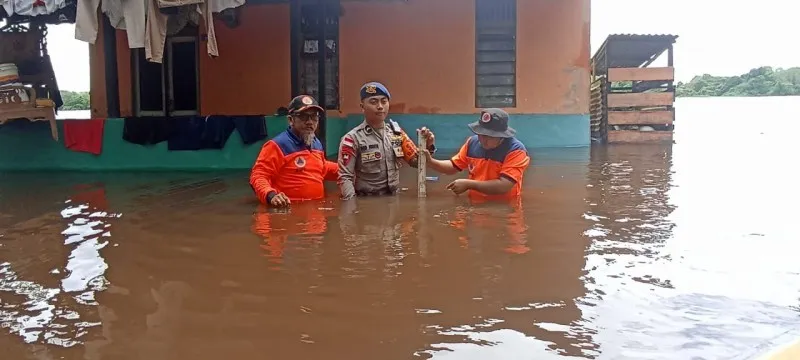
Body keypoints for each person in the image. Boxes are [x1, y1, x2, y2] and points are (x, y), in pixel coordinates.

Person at [337, 81, 436, 200]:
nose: (380, 106)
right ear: (362, 107)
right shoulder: (352, 139)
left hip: (393, 199)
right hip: (367, 201)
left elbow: (417, 163)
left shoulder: (397, 134)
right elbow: (345, 177)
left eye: (384, 101)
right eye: (374, 102)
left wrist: (428, 146)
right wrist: (354, 209)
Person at [421, 108, 531, 201]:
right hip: (475, 203)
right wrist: (431, 162)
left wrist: (469, 184)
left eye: (489, 136)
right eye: (480, 134)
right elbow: (453, 166)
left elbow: (504, 185)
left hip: (504, 208)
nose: (483, 140)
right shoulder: (472, 142)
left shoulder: (516, 150)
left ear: (502, 136)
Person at [249, 95, 338, 207]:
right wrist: (271, 196)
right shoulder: (277, 145)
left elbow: (322, 168)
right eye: (303, 116)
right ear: (291, 120)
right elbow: (258, 176)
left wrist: (350, 170)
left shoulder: (316, 143)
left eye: (314, 117)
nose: (310, 122)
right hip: (287, 211)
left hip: (315, 215)